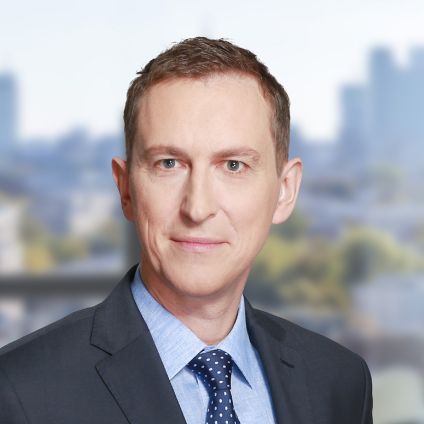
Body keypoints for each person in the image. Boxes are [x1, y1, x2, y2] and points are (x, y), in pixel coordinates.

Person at [0, 36, 373, 424]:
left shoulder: (340, 382)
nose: (197, 208)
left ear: (285, 191)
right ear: (125, 189)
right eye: (168, 164)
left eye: (233, 166)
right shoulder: (18, 393)